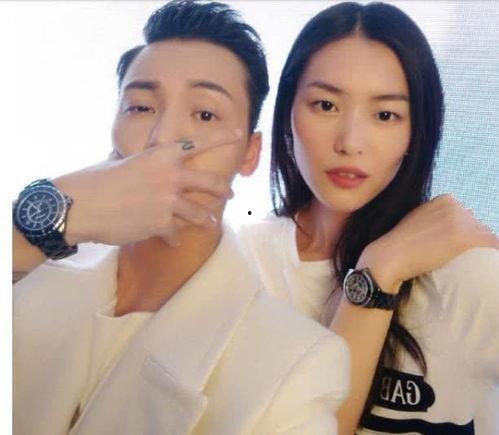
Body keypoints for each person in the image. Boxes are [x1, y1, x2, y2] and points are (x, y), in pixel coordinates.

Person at [13, 2, 351, 434]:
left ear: (249, 154)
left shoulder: (295, 365)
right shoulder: (29, 268)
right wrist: (50, 215)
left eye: (205, 114)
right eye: (141, 108)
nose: (163, 138)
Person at [239, 2, 499, 434]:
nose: (351, 142)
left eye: (385, 115)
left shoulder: (464, 272)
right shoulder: (241, 262)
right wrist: (378, 271)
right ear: (288, 113)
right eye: (326, 105)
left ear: (417, 132)